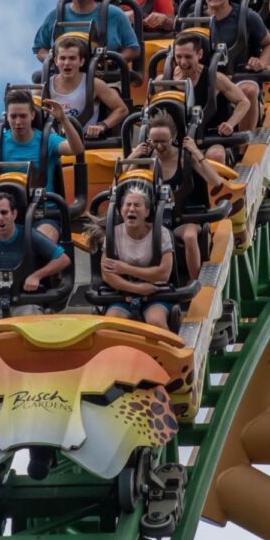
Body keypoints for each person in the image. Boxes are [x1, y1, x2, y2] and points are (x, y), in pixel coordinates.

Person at [0, 89, 85, 240]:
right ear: (7, 117)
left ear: (32, 115)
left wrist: (63, 119)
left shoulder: (47, 140)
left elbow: (75, 149)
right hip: (4, 215)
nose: (18, 122)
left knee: (42, 240)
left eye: (23, 116)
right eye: (13, 116)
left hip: (43, 214)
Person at [0, 192, 71, 327]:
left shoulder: (29, 236)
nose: (0, 218)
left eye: (4, 213)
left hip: (25, 301)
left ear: (14, 214)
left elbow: (63, 259)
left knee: (36, 329)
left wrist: (37, 276)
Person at [130, 114, 222, 280]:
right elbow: (121, 185)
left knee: (189, 236)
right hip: (154, 220)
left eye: (163, 141)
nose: (158, 147)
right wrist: (132, 157)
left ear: (173, 138)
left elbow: (215, 181)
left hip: (184, 218)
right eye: (154, 141)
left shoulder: (184, 158)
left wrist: (195, 152)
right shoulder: (145, 159)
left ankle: (196, 283)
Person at [165, 31, 256, 164]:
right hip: (177, 140)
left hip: (210, 138)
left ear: (200, 54)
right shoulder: (164, 81)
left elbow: (244, 102)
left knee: (216, 155)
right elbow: (149, 110)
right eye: (178, 56)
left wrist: (230, 124)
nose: (183, 62)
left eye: (188, 57)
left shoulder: (214, 78)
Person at [96, 187, 175, 330]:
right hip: (123, 294)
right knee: (111, 325)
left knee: (155, 322)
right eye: (128, 205)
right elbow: (107, 273)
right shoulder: (113, 234)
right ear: (121, 210)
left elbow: (163, 273)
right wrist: (136, 288)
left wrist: (126, 269)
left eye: (137, 205)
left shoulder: (161, 233)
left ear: (147, 212)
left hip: (155, 292)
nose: (131, 209)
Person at [33, 0, 140, 67]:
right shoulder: (55, 15)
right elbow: (40, 49)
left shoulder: (115, 14)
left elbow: (133, 49)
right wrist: (55, 61)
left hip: (106, 76)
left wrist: (114, 59)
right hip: (63, 78)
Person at [199, 0, 270, 74]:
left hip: (240, 77)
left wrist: (261, 63)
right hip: (205, 80)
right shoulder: (194, 20)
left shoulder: (247, 16)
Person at [46, 36, 128, 138]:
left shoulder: (95, 84)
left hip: (86, 141)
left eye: (72, 58)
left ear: (81, 61)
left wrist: (102, 125)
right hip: (55, 143)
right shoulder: (45, 86)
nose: (67, 63)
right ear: (56, 61)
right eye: (62, 58)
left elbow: (122, 109)